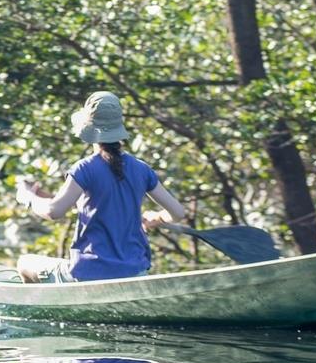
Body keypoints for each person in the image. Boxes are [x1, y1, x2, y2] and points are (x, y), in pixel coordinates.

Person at [12, 91, 191, 282]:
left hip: (89, 273)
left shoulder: (84, 168)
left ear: (88, 130)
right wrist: (157, 217)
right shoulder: (141, 168)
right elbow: (178, 213)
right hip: (135, 273)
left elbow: (53, 212)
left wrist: (28, 197)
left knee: (25, 262)